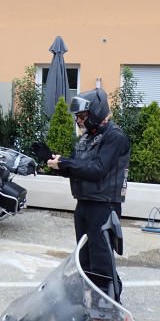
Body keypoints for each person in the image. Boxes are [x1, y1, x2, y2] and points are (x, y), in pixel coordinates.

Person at [46, 88, 130, 291]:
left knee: (101, 261)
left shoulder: (115, 136)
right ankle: (89, 299)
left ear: (96, 112)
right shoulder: (87, 138)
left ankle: (110, 302)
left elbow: (98, 169)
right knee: (84, 260)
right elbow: (80, 168)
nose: (79, 120)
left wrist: (66, 163)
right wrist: (56, 162)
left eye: (83, 116)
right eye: (78, 116)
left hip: (103, 206)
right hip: (84, 203)